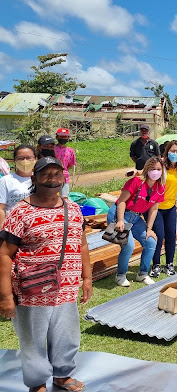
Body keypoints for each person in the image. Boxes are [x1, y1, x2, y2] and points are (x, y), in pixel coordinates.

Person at [0, 156, 91, 392]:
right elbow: (4, 254)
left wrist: (87, 278)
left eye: (57, 174)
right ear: (34, 178)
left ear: (64, 177)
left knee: (66, 335)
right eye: (45, 174)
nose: (52, 179)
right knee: (32, 341)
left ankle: (62, 375)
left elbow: (81, 245)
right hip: (32, 290)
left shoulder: (74, 208)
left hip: (66, 288)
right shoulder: (21, 212)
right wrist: (6, 297)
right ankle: (37, 382)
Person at [108, 157, 165, 287]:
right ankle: (120, 275)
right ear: (146, 169)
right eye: (152, 169)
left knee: (151, 241)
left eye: (158, 169)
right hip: (119, 213)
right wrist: (120, 220)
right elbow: (121, 201)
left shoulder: (160, 188)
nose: (155, 172)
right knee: (128, 246)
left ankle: (142, 274)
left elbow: (154, 209)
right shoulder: (136, 182)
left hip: (136, 217)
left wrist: (149, 229)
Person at [149, 140, 177, 278]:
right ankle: (156, 264)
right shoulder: (160, 166)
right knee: (159, 235)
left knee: (171, 236)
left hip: (170, 207)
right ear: (167, 151)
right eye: (172, 151)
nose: (174, 154)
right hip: (156, 207)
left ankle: (169, 264)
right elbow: (147, 174)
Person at [0, 145, 36, 229]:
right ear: (15, 160)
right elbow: (1, 208)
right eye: (20, 158)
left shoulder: (40, 179)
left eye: (28, 158)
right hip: (13, 228)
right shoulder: (5, 181)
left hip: (35, 227)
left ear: (35, 159)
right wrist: (2, 231)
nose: (25, 161)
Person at [54, 127, 76, 198]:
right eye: (61, 136)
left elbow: (70, 164)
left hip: (64, 178)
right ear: (57, 137)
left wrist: (63, 171)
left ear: (68, 138)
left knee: (64, 198)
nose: (63, 138)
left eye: (65, 136)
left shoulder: (70, 151)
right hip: (52, 177)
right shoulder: (52, 149)